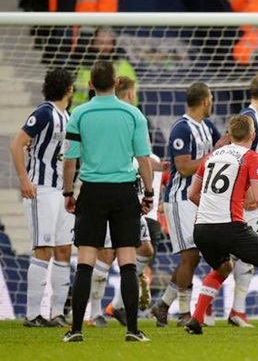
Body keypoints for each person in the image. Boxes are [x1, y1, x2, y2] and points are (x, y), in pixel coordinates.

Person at [183, 115, 258, 336]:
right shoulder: (251, 157)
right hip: (229, 226)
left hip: (201, 228)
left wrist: (214, 206)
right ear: (253, 135)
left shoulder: (211, 157)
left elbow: (192, 194)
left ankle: (196, 318)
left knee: (222, 268)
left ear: (229, 135)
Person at [61, 60, 153, 342]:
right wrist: (148, 193)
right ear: (116, 82)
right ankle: (133, 331)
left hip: (92, 190)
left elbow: (70, 159)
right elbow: (144, 159)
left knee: (86, 261)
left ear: (89, 85)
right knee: (127, 259)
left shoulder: (79, 113)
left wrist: (68, 193)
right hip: (124, 191)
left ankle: (75, 330)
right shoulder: (133, 114)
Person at [84, 77, 162, 327]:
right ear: (127, 94)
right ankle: (93, 312)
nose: (135, 97)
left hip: (129, 196)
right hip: (111, 192)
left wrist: (153, 169)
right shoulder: (123, 117)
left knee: (145, 250)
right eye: (133, 93)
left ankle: (117, 306)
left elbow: (141, 155)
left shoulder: (131, 116)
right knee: (106, 254)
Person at [150, 82, 221, 328]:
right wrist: (214, 155)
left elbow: (219, 149)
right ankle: (182, 313)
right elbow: (184, 167)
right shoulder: (181, 128)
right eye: (210, 98)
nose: (212, 102)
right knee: (190, 255)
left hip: (198, 199)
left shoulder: (207, 126)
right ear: (205, 101)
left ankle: (162, 306)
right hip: (179, 199)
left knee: (192, 257)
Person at [9, 68, 75, 328]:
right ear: (69, 88)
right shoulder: (44, 113)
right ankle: (32, 314)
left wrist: (69, 191)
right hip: (41, 190)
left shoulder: (67, 117)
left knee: (63, 250)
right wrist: (24, 180)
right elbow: (16, 144)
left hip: (60, 192)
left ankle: (57, 313)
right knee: (43, 249)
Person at [216, 74, 258, 328]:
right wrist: (247, 191)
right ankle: (212, 310)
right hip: (238, 199)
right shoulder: (247, 119)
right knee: (233, 256)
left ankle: (235, 312)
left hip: (255, 199)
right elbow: (226, 151)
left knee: (244, 255)